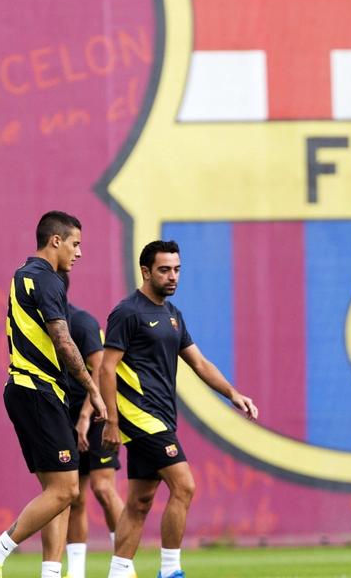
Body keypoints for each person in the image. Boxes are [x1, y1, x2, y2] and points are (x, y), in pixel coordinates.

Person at [100, 240, 258, 578]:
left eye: (176, 269)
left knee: (140, 501)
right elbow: (106, 367)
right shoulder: (127, 312)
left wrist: (233, 393)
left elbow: (199, 363)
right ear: (145, 271)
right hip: (141, 417)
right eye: (164, 270)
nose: (172, 276)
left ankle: (118, 571)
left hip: (161, 417)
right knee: (184, 485)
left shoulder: (172, 315)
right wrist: (112, 421)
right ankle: (170, 571)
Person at [0, 211, 107, 578]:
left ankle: (50, 574)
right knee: (66, 490)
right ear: (56, 241)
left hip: (29, 390)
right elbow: (63, 341)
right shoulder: (46, 279)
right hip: (37, 390)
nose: (79, 253)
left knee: (56, 493)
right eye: (75, 244)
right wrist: (93, 390)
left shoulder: (23, 274)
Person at [41, 301, 124, 578]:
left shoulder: (81, 322)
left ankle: (125, 566)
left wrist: (86, 417)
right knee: (72, 496)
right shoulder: (42, 326)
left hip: (96, 417)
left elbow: (101, 372)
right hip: (64, 419)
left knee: (103, 488)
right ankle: (76, 573)